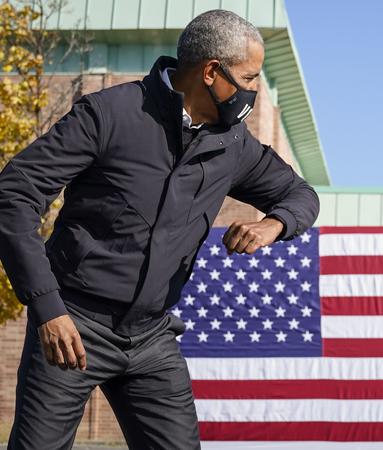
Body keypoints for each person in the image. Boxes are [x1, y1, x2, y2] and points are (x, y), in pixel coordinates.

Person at [0, 10, 319, 449]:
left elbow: (301, 196)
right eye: (249, 77)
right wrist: (47, 307)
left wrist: (273, 225)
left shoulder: (234, 142)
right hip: (72, 327)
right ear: (212, 72)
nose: (253, 90)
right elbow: (13, 195)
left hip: (151, 338)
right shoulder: (109, 114)